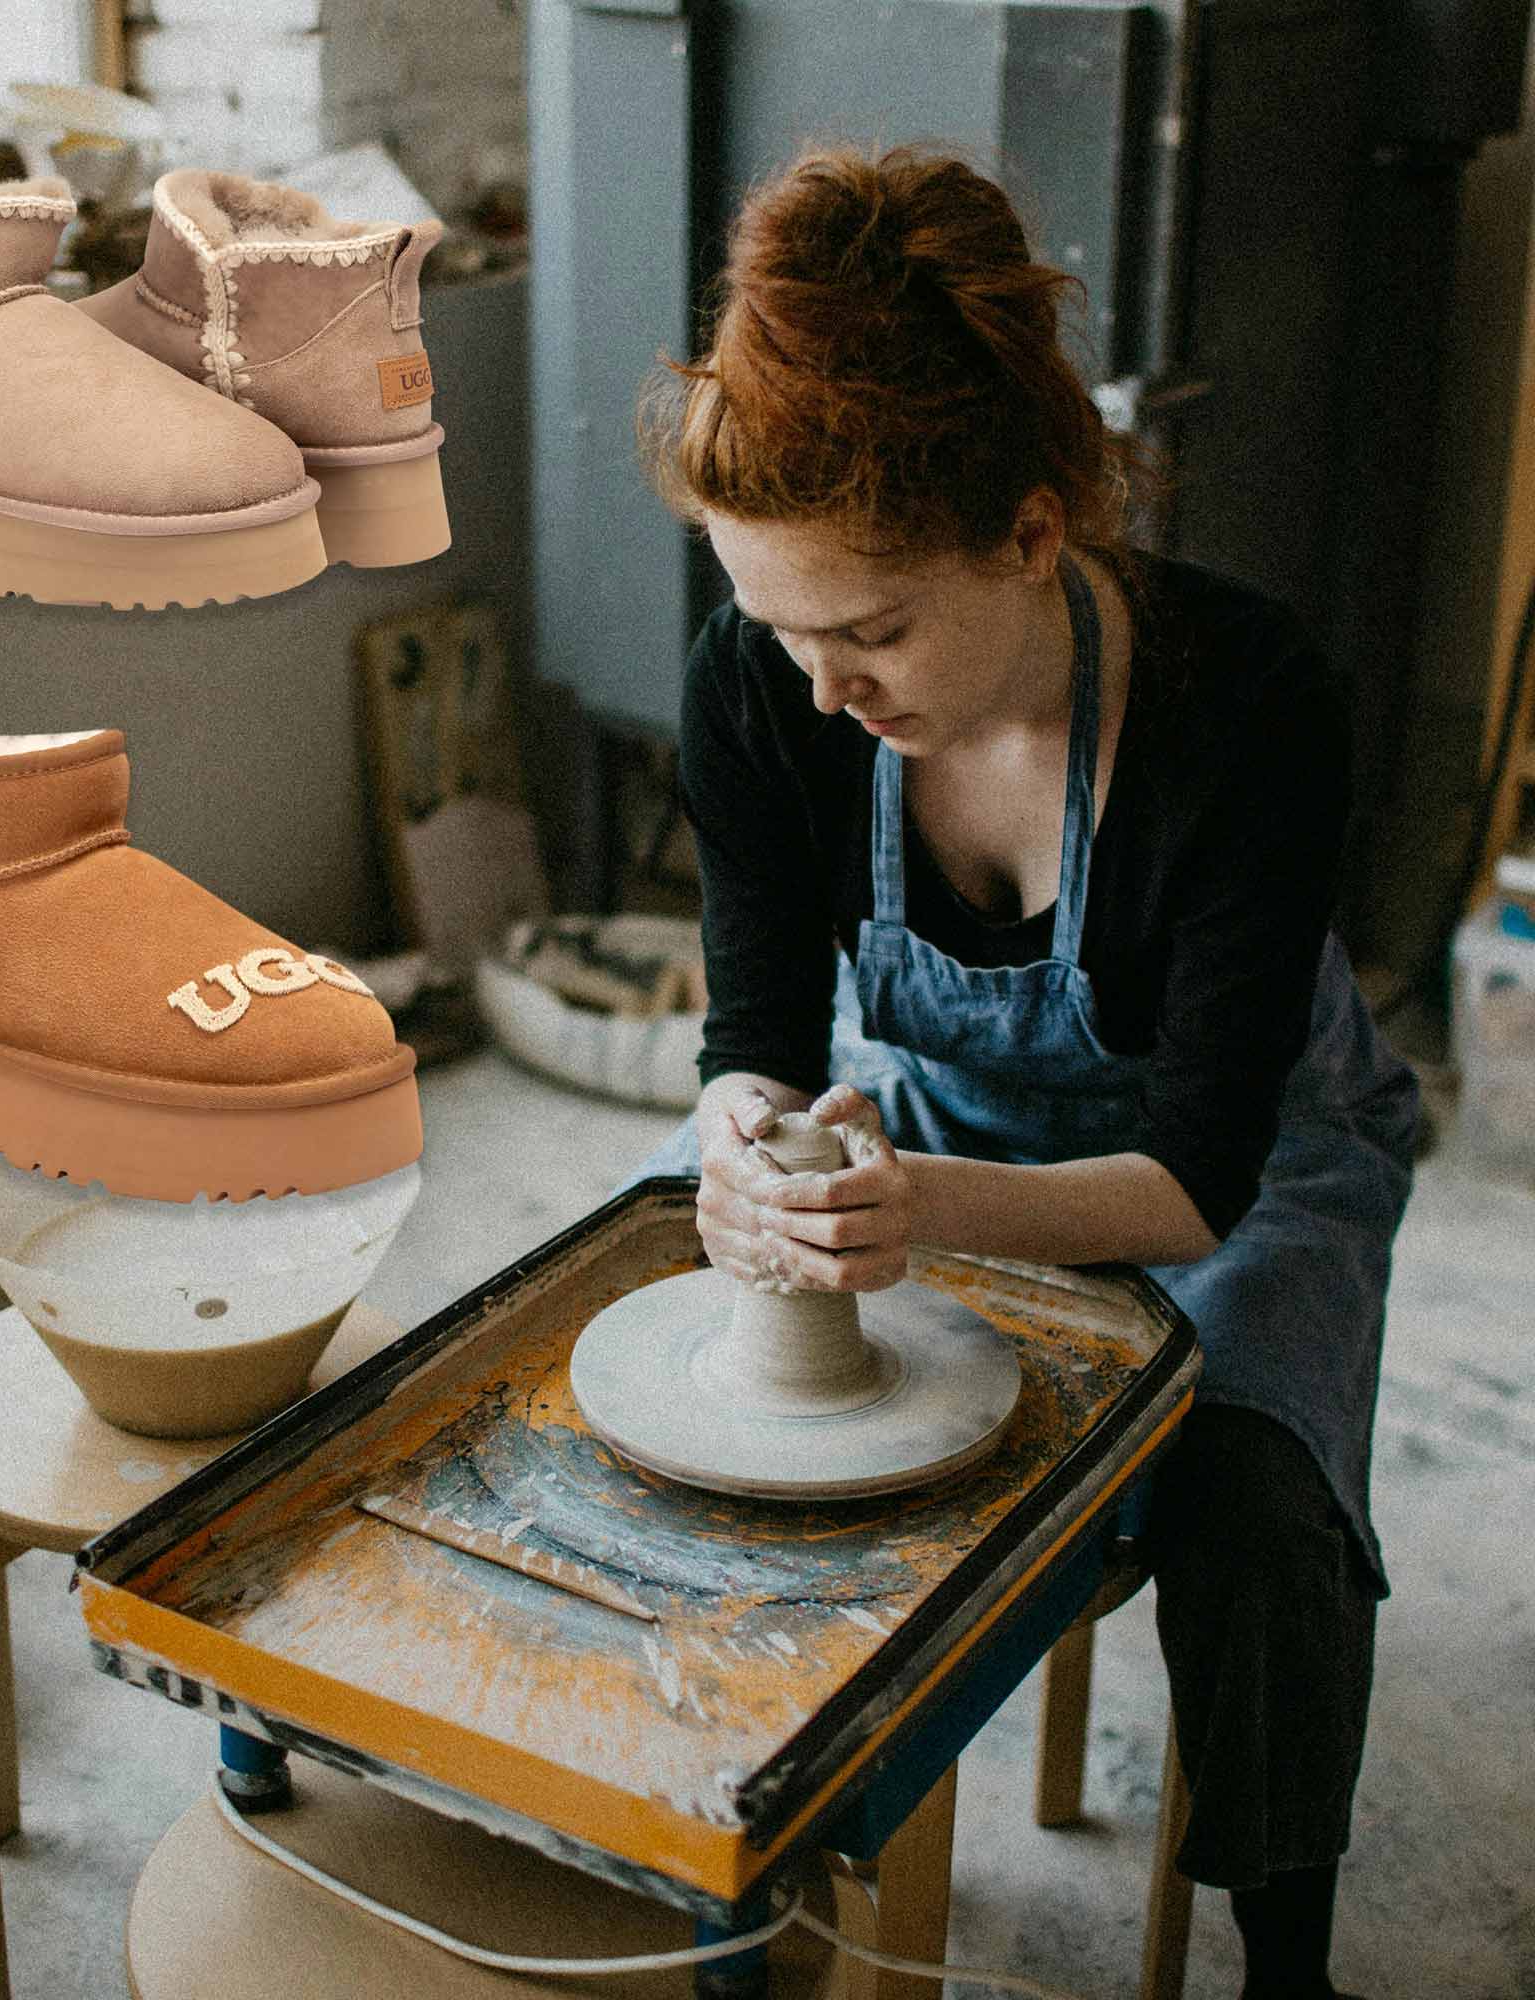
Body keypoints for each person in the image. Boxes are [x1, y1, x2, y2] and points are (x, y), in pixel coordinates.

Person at [626, 145, 1419, 2000]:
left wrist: (910, 1213)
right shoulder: (764, 692)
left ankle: (1285, 1957)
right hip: (944, 1138)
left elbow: (1195, 1180)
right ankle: (739, 1846)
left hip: (1244, 1165)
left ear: (1036, 536)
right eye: (780, 627)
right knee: (711, 1431)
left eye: (876, 631)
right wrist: (746, 1149)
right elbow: (752, 1046)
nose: (824, 690)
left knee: (1250, 1508)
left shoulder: (1252, 703)